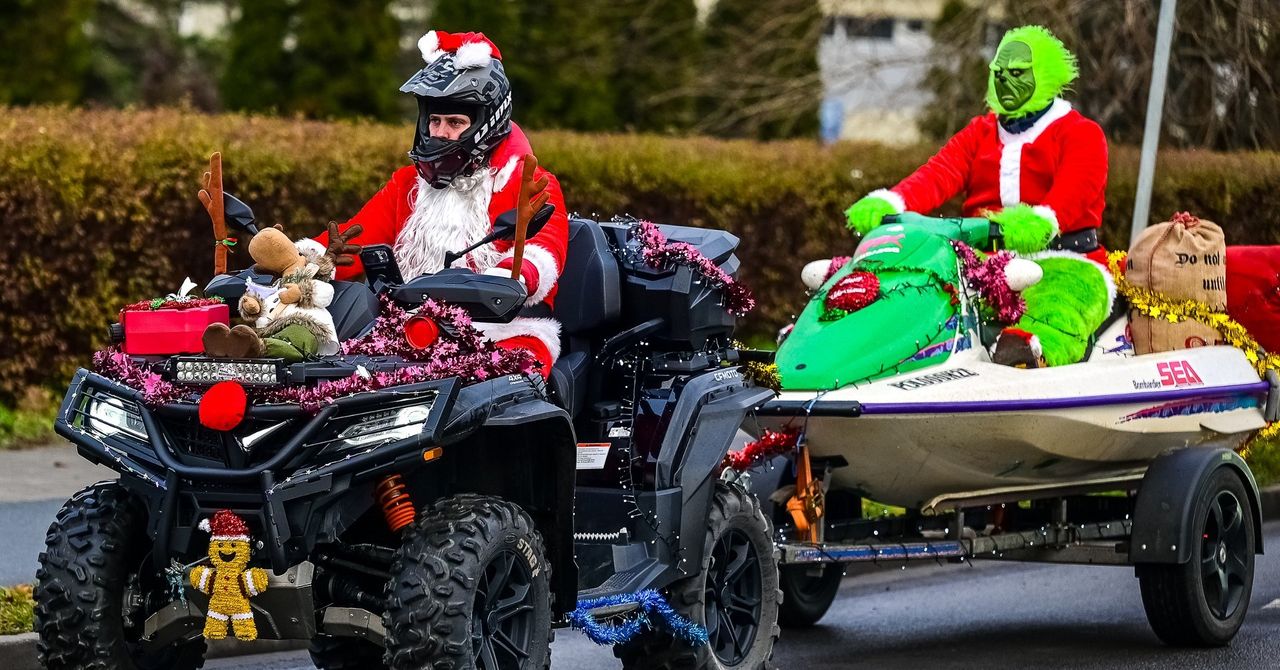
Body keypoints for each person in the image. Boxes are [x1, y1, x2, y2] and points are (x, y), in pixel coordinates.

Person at [297, 31, 569, 374]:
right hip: (408, 331)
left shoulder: (529, 181)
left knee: (501, 385)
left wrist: (506, 278)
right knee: (331, 377)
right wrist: (296, 266)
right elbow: (353, 241)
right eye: (434, 120)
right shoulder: (407, 184)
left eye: (455, 122)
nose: (439, 132)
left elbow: (543, 248)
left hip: (505, 331)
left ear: (488, 123)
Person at [844, 25, 1113, 368]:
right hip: (982, 263)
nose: (1004, 82)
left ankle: (1033, 351)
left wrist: (1039, 221)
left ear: (1045, 76)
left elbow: (1075, 192)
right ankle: (864, 349)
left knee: (1065, 299)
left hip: (1062, 259)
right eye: (998, 73)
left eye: (1017, 74)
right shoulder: (980, 132)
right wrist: (892, 202)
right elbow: (938, 174)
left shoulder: (1080, 133)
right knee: (919, 290)